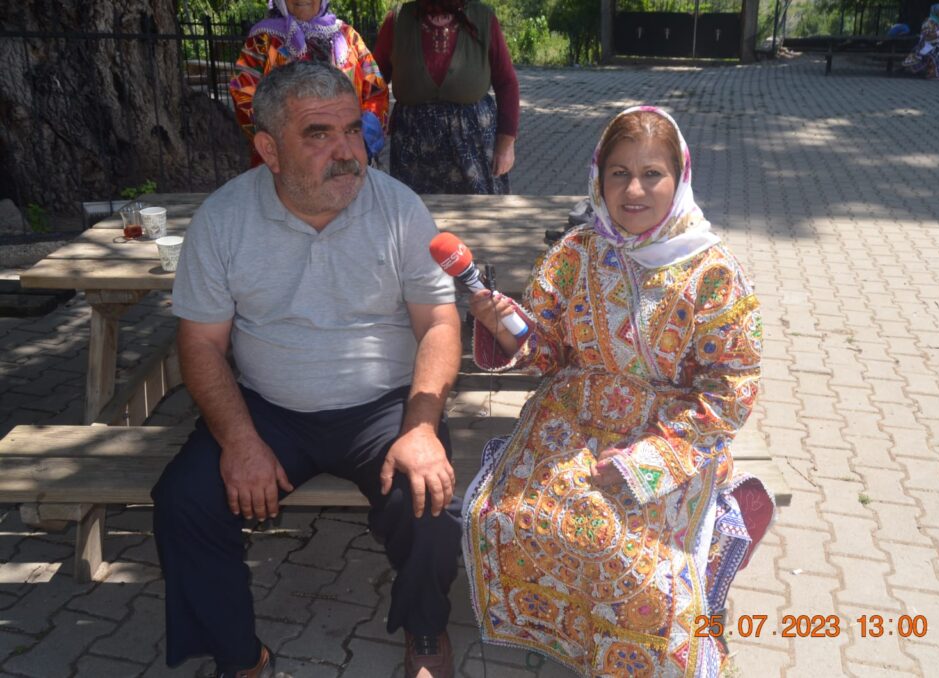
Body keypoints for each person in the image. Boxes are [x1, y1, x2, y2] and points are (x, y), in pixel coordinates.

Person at [152, 61, 462, 678]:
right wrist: (239, 440)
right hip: (269, 409)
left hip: (383, 406)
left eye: (352, 130)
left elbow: (439, 323)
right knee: (184, 501)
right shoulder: (223, 218)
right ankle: (240, 657)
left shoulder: (399, 208)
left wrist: (422, 426)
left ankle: (426, 627)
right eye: (319, 134)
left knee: (428, 497)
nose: (346, 152)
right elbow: (202, 345)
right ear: (269, 150)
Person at [461, 107, 774, 675]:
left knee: (642, 566)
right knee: (518, 516)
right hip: (573, 419)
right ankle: (576, 638)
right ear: (598, 179)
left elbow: (730, 392)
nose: (633, 190)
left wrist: (646, 463)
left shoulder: (714, 272)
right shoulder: (576, 252)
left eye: (652, 174)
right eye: (619, 174)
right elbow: (547, 352)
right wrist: (505, 325)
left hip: (671, 437)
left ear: (680, 177)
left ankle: (697, 586)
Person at [372, 0, 519, 195]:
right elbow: (374, 84)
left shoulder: (482, 18)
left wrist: (506, 144)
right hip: (413, 149)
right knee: (415, 209)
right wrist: (367, 134)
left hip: (474, 146)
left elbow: (507, 83)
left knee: (479, 209)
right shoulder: (398, 20)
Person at [230, 0, 389, 166]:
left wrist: (361, 137)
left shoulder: (349, 37)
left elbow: (376, 90)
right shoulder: (262, 39)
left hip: (346, 156)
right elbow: (242, 92)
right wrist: (282, 141)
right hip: (288, 164)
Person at [903, 3, 939, 79]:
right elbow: (927, 36)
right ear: (936, 12)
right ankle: (933, 73)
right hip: (928, 44)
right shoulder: (929, 21)